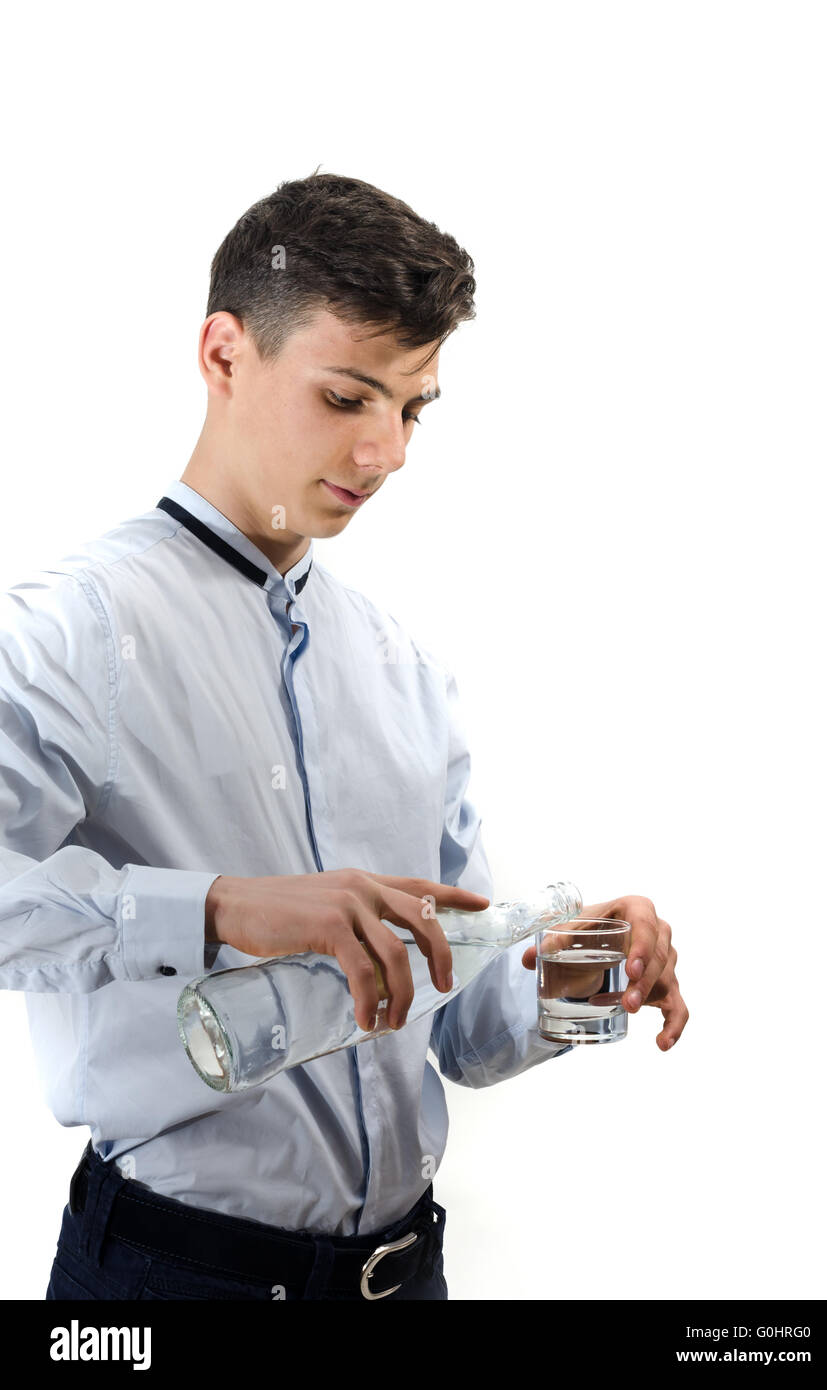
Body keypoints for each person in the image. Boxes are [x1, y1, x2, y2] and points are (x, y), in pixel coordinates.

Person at [0, 171, 688, 1302]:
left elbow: (456, 1022)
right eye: (347, 398)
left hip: (409, 1276)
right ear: (224, 353)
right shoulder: (71, 634)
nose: (387, 455)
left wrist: (588, 974)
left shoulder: (402, 670)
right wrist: (222, 907)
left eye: (411, 409)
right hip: (177, 1282)